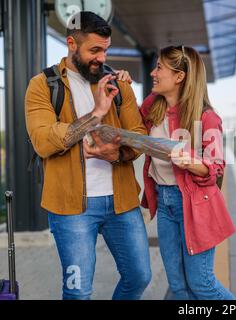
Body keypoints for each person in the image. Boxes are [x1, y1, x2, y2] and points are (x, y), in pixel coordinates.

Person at [25, 12, 151, 300]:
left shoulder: (119, 85)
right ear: (71, 44)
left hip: (121, 203)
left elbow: (138, 136)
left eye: (105, 49)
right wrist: (96, 114)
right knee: (78, 291)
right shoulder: (42, 86)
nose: (101, 57)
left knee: (139, 277)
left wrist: (115, 155)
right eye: (94, 50)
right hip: (71, 209)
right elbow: (44, 141)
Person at [140, 45, 236, 300]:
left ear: (180, 76)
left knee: (202, 284)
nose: (153, 73)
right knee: (178, 286)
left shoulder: (207, 117)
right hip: (166, 203)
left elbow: (216, 167)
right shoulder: (153, 107)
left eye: (159, 67)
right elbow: (129, 123)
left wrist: (189, 160)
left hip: (195, 206)